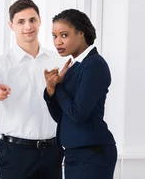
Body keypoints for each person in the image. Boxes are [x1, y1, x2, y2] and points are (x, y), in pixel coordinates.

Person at [0, 0, 65, 179]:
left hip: (53, 151)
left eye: (32, 20)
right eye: (21, 22)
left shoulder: (58, 60)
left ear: (39, 21)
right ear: (11, 25)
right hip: (16, 153)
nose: (28, 26)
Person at [43, 9, 117, 179]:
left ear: (80, 33)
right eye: (54, 36)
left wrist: (60, 87)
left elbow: (78, 114)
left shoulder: (94, 65)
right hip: (75, 152)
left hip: (92, 154)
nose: (57, 42)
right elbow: (61, 116)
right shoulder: (75, 66)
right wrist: (50, 89)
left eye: (64, 35)